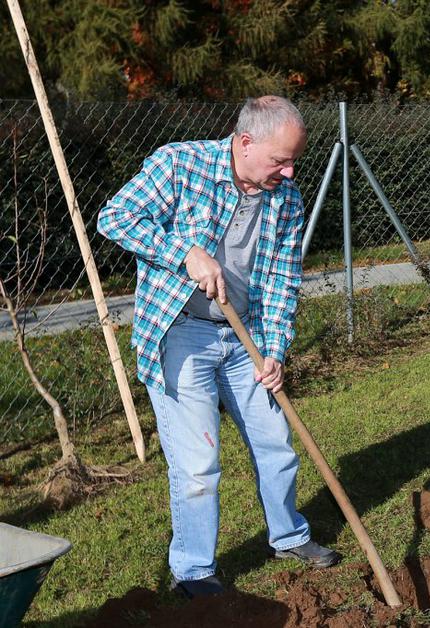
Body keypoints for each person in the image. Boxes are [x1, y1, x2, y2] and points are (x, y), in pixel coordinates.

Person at [98, 96, 339, 598]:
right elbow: (114, 218)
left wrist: (274, 348)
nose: (289, 172)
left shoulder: (285, 199)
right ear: (245, 142)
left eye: (294, 160)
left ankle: (290, 536)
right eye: (280, 160)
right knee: (198, 464)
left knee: (275, 444)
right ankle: (194, 569)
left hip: (245, 333)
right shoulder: (178, 164)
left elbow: (279, 280)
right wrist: (183, 253)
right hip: (182, 330)